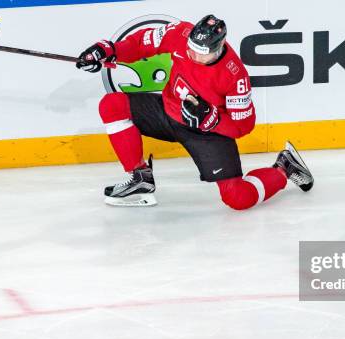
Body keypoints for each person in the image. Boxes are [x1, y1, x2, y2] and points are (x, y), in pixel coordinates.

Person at [76, 14, 313, 208]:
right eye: (191, 49)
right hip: (169, 113)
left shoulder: (234, 75)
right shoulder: (179, 33)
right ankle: (140, 178)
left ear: (219, 47)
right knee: (112, 105)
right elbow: (141, 43)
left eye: (202, 52)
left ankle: (285, 167)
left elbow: (243, 126)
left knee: (238, 198)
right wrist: (108, 50)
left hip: (206, 132)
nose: (193, 55)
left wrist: (211, 120)